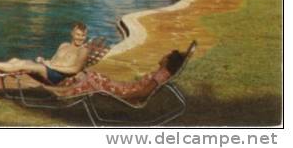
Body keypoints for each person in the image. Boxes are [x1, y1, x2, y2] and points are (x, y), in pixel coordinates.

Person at [37, 49, 187, 101]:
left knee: (89, 79)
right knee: (87, 76)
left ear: (167, 61)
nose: (162, 56)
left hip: (124, 92)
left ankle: (58, 92)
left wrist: (122, 98)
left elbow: (143, 93)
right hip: (123, 87)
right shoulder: (162, 72)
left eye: (165, 56)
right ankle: (57, 88)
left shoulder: (161, 74)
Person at [0, 22, 90, 85]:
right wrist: (45, 61)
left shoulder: (83, 50)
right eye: (78, 34)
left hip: (58, 77)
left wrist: (51, 66)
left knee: (23, 65)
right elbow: (53, 60)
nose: (80, 38)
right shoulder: (63, 45)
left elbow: (75, 70)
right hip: (48, 69)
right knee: (15, 60)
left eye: (83, 35)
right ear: (72, 33)